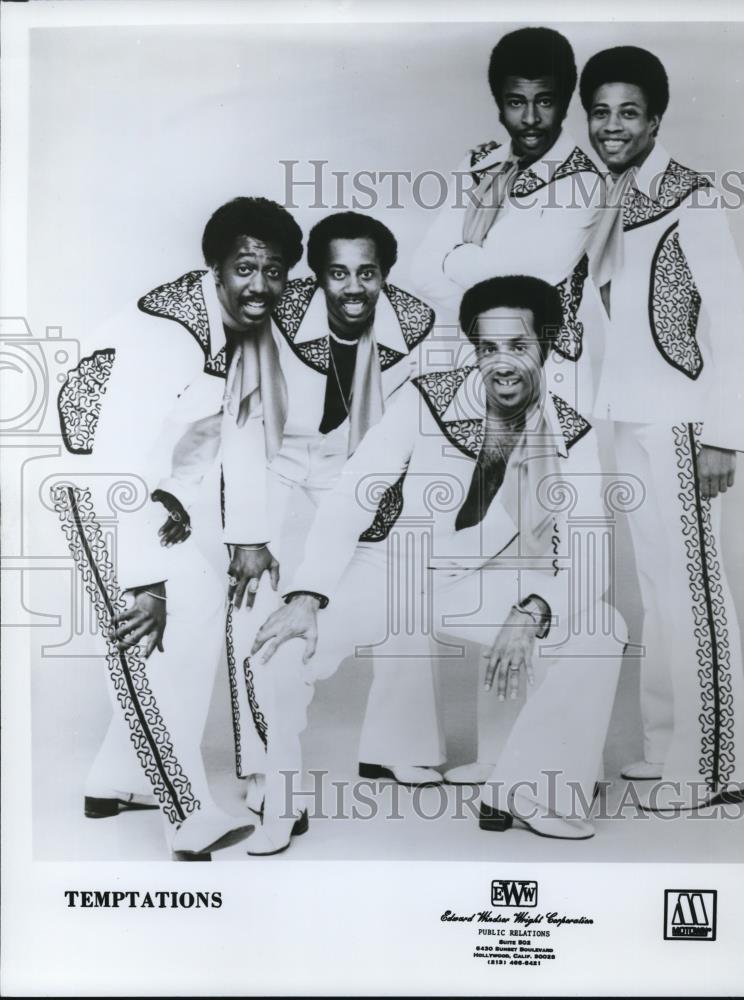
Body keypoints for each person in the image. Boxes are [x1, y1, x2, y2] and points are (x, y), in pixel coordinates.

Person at [242, 276, 626, 854]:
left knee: (601, 629)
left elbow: (590, 545)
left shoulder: (573, 433)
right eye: (488, 347)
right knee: (282, 645)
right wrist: (309, 592)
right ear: (474, 349)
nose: (503, 364)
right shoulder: (426, 397)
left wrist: (536, 608)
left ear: (546, 347)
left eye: (518, 347)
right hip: (389, 571)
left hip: (477, 582)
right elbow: (355, 492)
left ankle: (527, 790)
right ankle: (281, 796)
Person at [52, 196, 303, 857]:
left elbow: (226, 431)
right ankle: (188, 817)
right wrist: (143, 580)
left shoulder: (240, 333)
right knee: (145, 635)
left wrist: (211, 516)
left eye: (274, 271)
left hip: (148, 487)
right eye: (245, 266)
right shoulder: (168, 335)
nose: (260, 285)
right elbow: (110, 460)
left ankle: (116, 778)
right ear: (214, 266)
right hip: (88, 486)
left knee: (191, 619)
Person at [216, 211, 443, 815]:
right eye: (337, 273)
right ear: (314, 276)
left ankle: (399, 743)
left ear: (384, 275)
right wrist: (248, 530)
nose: (352, 288)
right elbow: (239, 421)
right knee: (258, 598)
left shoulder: (417, 324)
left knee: (406, 582)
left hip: (358, 469)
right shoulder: (279, 314)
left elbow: (420, 422)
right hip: (281, 464)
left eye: (367, 273)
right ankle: (263, 765)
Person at [579, 46, 744, 810]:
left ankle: (714, 768)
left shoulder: (693, 196)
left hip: (683, 422)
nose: (611, 126)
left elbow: (739, 324)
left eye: (628, 112)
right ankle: (664, 742)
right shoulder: (602, 197)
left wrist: (725, 432)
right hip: (624, 418)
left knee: (693, 590)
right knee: (655, 586)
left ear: (654, 119)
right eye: (600, 112)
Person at [410, 25, 605, 425]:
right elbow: (422, 272)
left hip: (550, 373)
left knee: (546, 485)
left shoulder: (584, 181)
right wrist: (478, 264)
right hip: (467, 360)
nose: (530, 118)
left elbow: (529, 281)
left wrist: (458, 254)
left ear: (566, 103)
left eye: (545, 102)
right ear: (499, 103)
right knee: (469, 484)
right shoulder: (478, 162)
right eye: (516, 102)